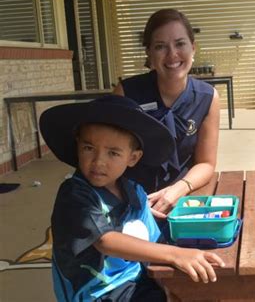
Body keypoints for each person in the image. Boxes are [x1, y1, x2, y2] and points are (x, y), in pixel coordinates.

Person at [39, 95, 225, 301]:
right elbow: (105, 241)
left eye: (113, 153)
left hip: (137, 279)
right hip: (99, 292)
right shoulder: (75, 195)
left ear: (133, 158)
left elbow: (155, 239)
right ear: (78, 147)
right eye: (89, 148)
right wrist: (175, 255)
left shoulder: (134, 191)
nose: (98, 162)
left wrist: (185, 248)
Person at [113, 8, 220, 219]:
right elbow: (109, 153)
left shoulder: (208, 98)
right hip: (129, 200)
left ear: (193, 48)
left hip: (181, 199)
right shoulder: (127, 92)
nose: (172, 55)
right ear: (149, 54)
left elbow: (206, 163)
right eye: (160, 46)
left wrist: (177, 190)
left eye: (180, 44)